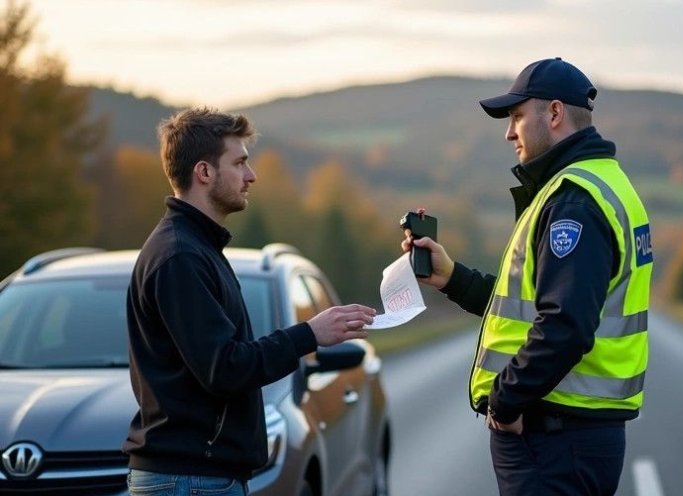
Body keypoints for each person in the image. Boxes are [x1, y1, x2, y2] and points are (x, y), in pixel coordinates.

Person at [404, 58, 653, 495]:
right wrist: (452, 278)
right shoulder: (600, 183)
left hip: (555, 434)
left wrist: (505, 401)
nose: (509, 132)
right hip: (573, 433)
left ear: (554, 113)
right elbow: (531, 306)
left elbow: (564, 325)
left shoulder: (573, 202)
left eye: (517, 116)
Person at [123, 107, 376, 495]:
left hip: (196, 477)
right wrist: (309, 334)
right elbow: (225, 368)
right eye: (239, 163)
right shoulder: (181, 257)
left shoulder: (196, 248)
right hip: (191, 480)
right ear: (204, 172)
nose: (251, 175)